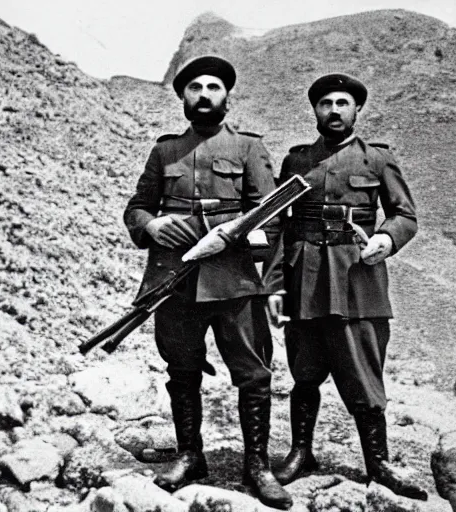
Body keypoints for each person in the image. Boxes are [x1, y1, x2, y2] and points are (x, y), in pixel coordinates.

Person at [123, 55, 292, 510]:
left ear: (227, 98)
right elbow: (136, 207)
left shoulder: (249, 150)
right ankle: (190, 455)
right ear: (182, 98)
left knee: (253, 373)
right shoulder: (164, 151)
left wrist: (233, 237)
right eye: (194, 88)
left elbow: (272, 216)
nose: (203, 95)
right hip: (175, 281)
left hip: (234, 281)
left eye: (213, 87)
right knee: (182, 368)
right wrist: (153, 226)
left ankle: (256, 464)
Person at [268, 73, 428, 501]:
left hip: (357, 277)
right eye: (325, 103)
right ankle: (302, 452)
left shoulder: (377, 160)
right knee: (304, 371)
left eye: (343, 103)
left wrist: (387, 238)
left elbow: (405, 215)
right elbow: (281, 226)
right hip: (304, 278)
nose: (334, 110)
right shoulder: (297, 161)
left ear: (357, 110)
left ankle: (378, 464)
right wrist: (275, 286)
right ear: (315, 110)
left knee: (362, 372)